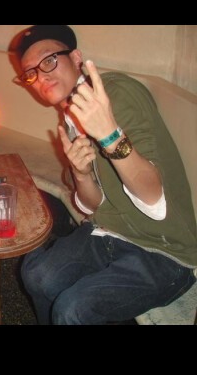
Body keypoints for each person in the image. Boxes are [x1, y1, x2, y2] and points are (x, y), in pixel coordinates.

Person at [10, 25, 197, 325]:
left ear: (76, 58)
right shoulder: (71, 117)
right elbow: (95, 205)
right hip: (113, 234)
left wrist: (110, 137)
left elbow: (156, 203)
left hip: (165, 250)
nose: (40, 77)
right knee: (35, 273)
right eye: (30, 73)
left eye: (48, 61)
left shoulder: (117, 94)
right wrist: (81, 174)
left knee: (72, 309)